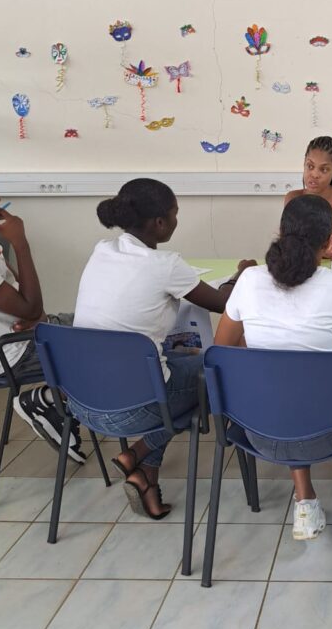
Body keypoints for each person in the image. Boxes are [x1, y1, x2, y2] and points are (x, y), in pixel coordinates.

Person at [215, 194, 332, 540]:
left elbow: (221, 351)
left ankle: (305, 502)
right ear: (330, 241)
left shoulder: (249, 279)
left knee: (283, 395)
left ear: (280, 231)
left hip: (259, 431)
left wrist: (260, 363)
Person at [72, 177, 254, 519]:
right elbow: (223, 304)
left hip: (82, 402)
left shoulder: (102, 250)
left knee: (169, 367)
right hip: (132, 406)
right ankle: (139, 451)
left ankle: (146, 480)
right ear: (159, 222)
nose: (176, 220)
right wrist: (240, 275)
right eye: (175, 213)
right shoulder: (165, 265)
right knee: (224, 372)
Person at [0, 163, 86, 461]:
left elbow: (23, 296)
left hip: (30, 332)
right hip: (12, 353)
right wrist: (20, 243)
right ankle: (44, 399)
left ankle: (52, 402)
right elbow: (30, 305)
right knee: (111, 349)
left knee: (105, 324)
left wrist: (35, 314)